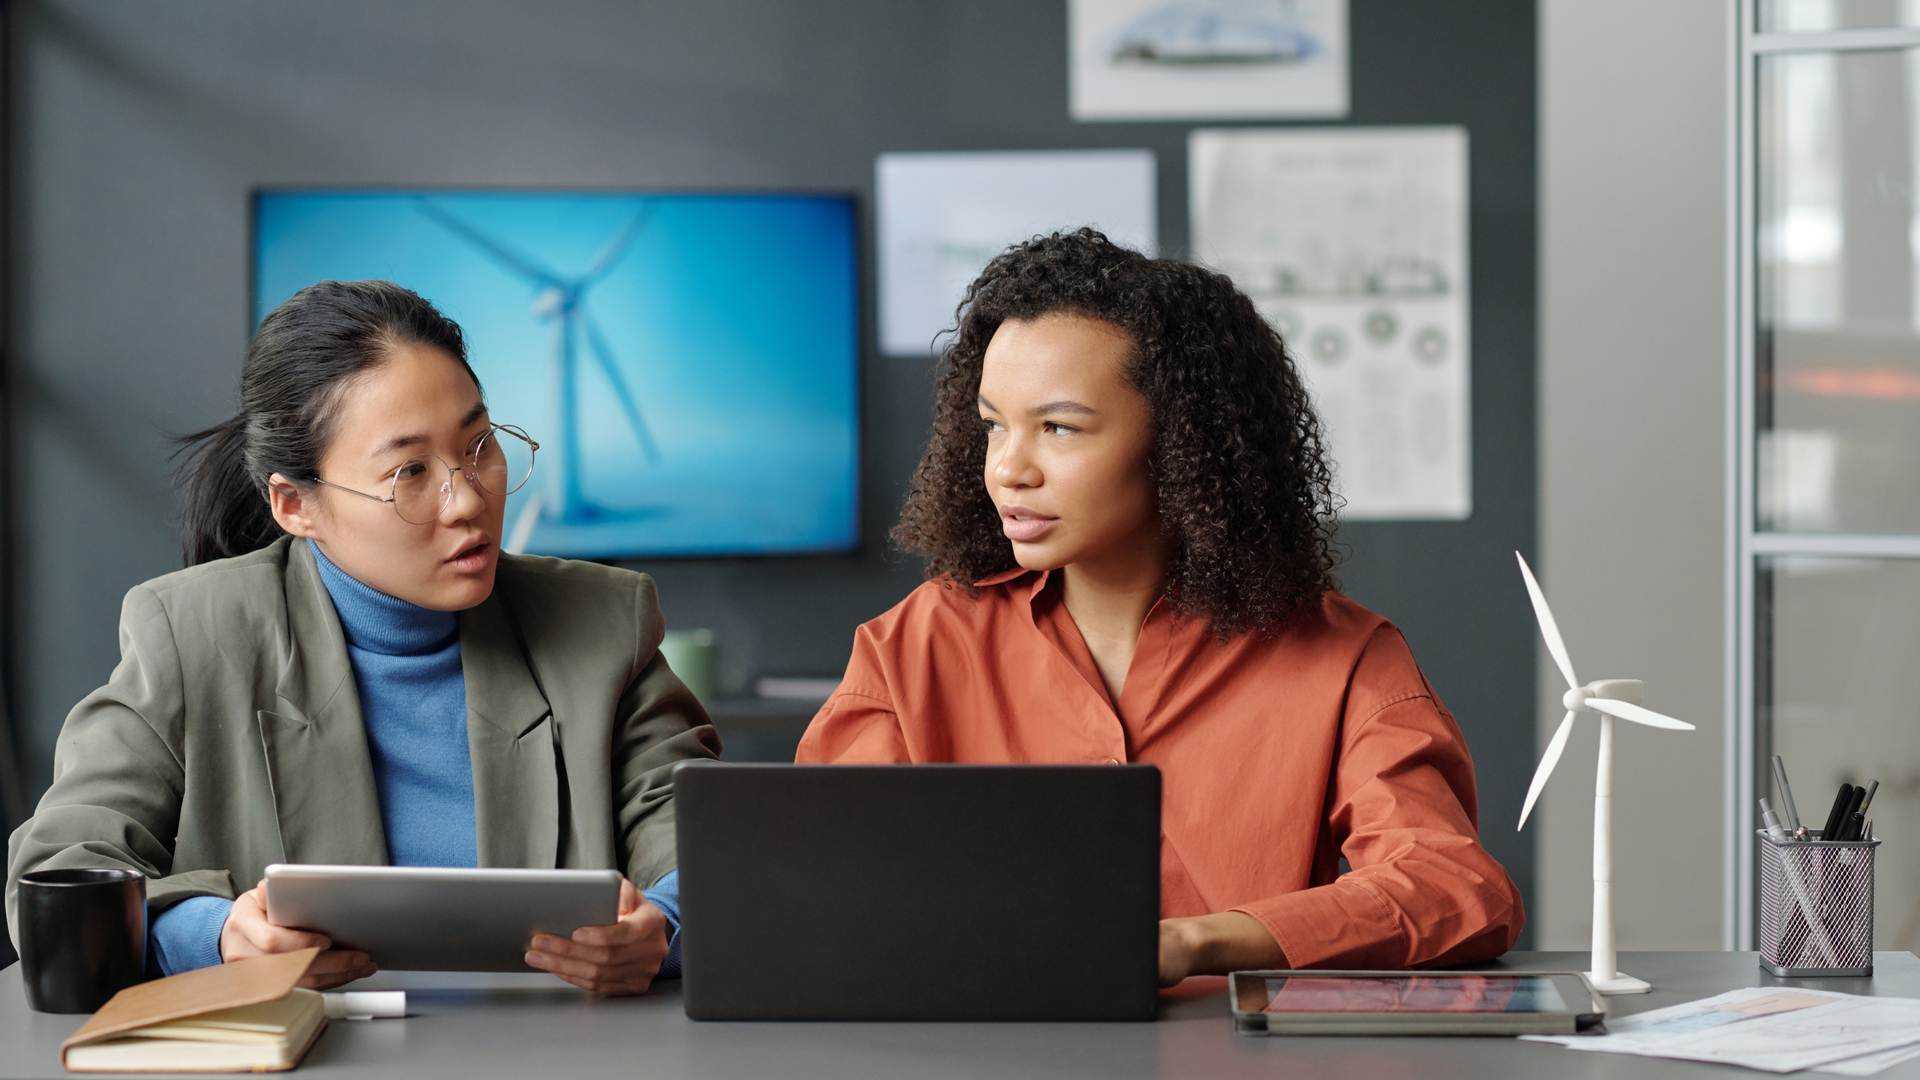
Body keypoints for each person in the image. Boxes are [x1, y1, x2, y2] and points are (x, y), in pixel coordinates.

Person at [797, 229, 1524, 983]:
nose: (1009, 469)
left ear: (1183, 443)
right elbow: (811, 885)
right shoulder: (912, 646)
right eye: (992, 426)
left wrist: (1195, 944)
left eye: (1058, 428)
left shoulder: (1345, 659)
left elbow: (1454, 889)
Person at [5, 280, 720, 995]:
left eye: (479, 446)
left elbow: (715, 849)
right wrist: (212, 937)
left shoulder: (602, 621)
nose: (469, 499)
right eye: (409, 471)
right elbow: (59, 875)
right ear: (295, 504)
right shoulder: (190, 633)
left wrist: (663, 927)